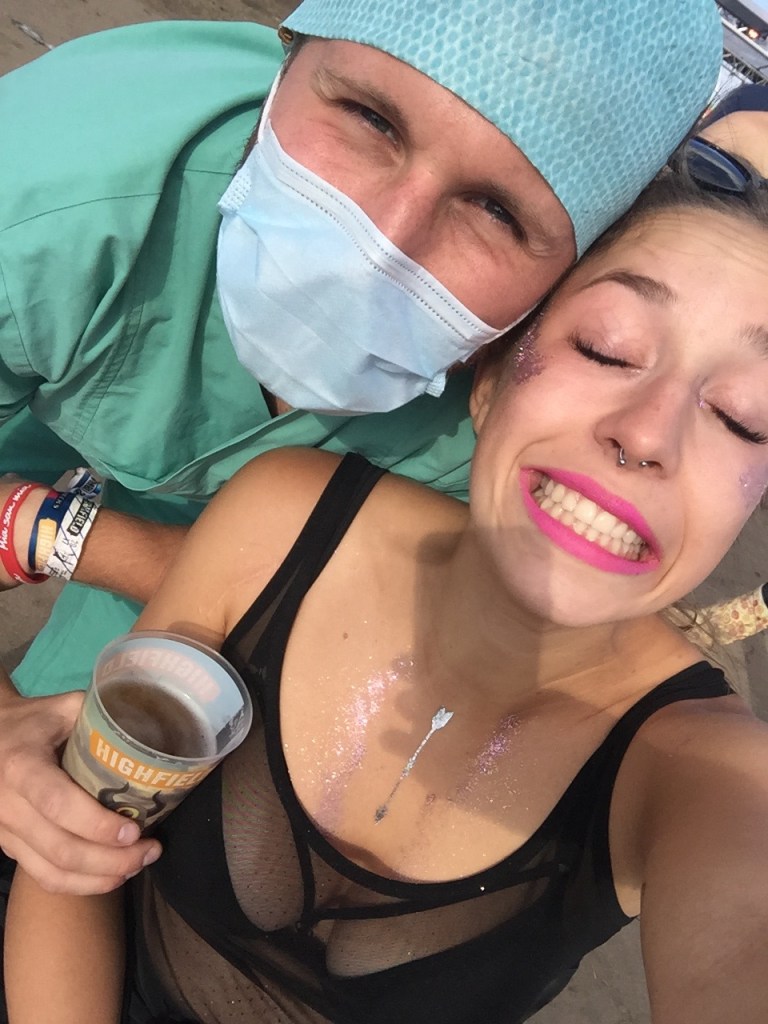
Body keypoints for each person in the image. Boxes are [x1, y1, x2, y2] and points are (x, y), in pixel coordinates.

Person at [7, 136, 768, 1024]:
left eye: (743, 417)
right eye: (606, 348)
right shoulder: (282, 515)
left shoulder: (707, 778)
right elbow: (77, 849)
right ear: (491, 377)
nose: (646, 432)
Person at [0, 0, 724, 892]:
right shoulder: (52, 191)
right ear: (288, 52)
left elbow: (339, 647)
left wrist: (44, 536)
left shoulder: (521, 426)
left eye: (497, 211)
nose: (383, 243)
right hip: (50, 390)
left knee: (114, 749)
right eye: (371, 118)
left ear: (570, 274)